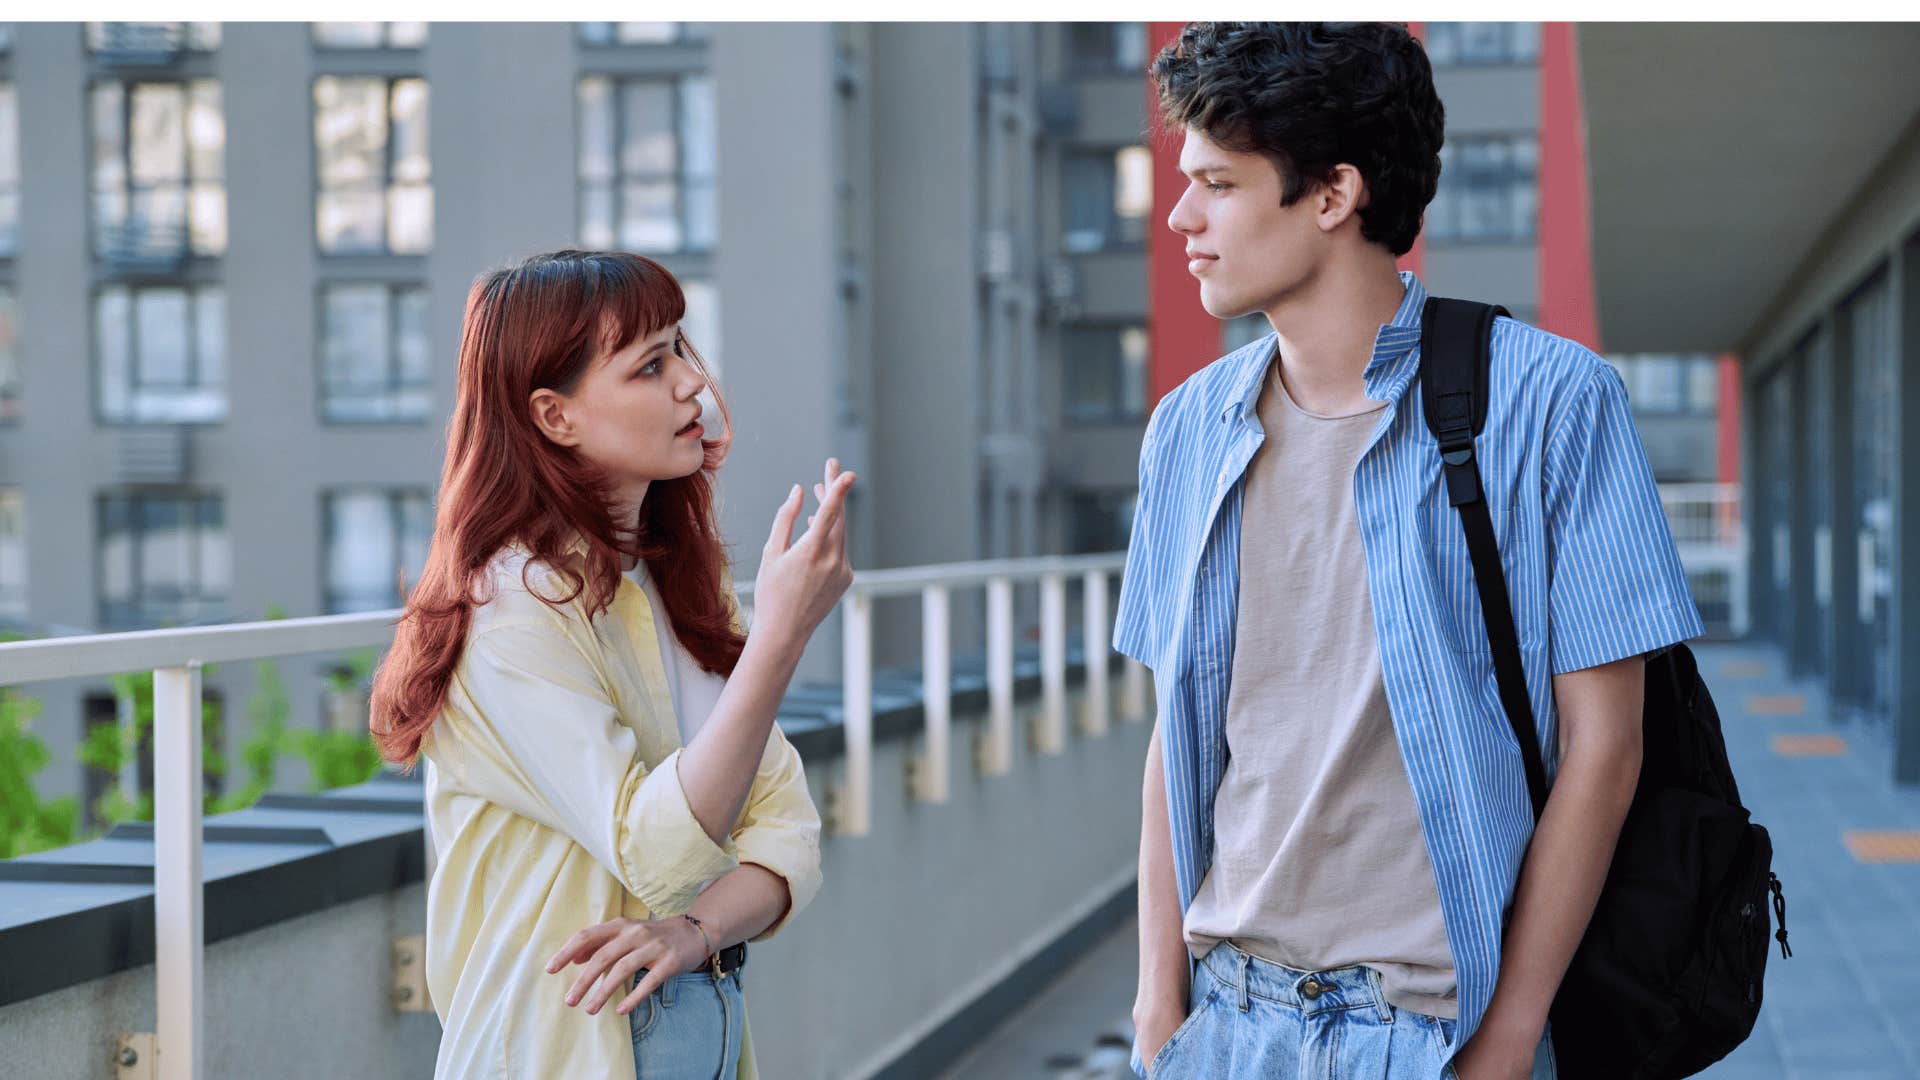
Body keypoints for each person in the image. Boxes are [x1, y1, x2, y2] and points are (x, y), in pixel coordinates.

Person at [1114, 23, 1703, 1080]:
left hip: (1435, 1032)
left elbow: (1608, 749)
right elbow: (1177, 731)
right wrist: (1159, 1004)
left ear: (1333, 194)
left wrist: (1510, 1037)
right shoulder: (1187, 430)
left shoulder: (1553, 402)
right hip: (1229, 1024)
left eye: (1220, 184)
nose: (1181, 217)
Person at [370, 249, 853, 1079]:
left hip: (698, 1043)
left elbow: (789, 836)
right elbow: (657, 851)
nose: (691, 385)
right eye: (650, 366)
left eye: (682, 350)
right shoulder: (511, 607)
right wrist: (780, 639)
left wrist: (694, 931)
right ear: (555, 417)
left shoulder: (676, 585)